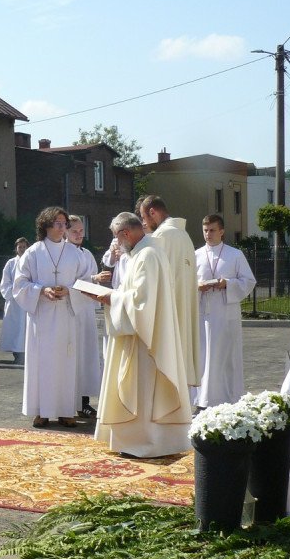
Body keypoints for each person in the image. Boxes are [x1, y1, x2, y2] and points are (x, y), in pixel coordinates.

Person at [90, 212, 192, 458]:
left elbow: (141, 303)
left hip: (146, 339)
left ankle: (147, 443)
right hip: (143, 334)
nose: (117, 243)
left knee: (144, 390)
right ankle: (142, 441)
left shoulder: (147, 255)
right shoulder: (144, 253)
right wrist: (113, 298)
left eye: (116, 237)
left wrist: (110, 298)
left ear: (125, 233)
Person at [13, 208, 94, 428]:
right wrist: (41, 290)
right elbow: (19, 284)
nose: (62, 228)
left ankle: (66, 411)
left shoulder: (75, 253)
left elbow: (86, 283)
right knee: (43, 363)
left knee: (66, 363)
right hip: (43, 316)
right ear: (46, 226)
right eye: (57, 224)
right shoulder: (33, 252)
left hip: (67, 315)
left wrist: (69, 290)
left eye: (64, 223)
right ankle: (42, 411)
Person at [194, 214, 256, 409]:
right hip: (203, 313)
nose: (208, 234)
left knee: (225, 357)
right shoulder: (195, 255)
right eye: (205, 230)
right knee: (204, 356)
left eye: (212, 230)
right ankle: (203, 400)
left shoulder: (235, 255)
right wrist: (197, 286)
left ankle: (228, 398)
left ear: (222, 231)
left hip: (225, 314)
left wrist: (227, 284)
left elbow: (248, 281)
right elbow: (184, 283)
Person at [138, 194, 201, 388]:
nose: (143, 223)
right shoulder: (184, 236)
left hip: (166, 313)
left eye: (143, 217)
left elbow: (149, 275)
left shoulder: (161, 237)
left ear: (152, 212)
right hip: (181, 309)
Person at [66, 215, 104, 418]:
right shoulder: (63, 254)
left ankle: (84, 402)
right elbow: (69, 281)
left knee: (86, 356)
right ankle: (68, 402)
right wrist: (93, 279)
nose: (79, 235)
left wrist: (95, 283)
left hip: (86, 310)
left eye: (81, 231)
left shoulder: (87, 253)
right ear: (65, 232)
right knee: (73, 356)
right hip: (71, 311)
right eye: (74, 231)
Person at [0, 237, 29, 365]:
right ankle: (17, 354)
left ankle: (28, 354)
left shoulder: (32, 261)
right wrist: (15, 289)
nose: (22, 249)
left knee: (27, 328)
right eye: (20, 247)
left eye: (24, 247)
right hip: (15, 302)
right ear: (16, 249)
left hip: (28, 299)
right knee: (16, 328)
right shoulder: (10, 263)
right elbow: (5, 283)